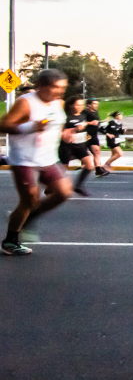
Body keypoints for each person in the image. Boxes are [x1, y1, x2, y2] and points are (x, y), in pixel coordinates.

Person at [0, 70, 72, 255]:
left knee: (63, 193)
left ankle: (28, 218)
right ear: (41, 86)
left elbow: (57, 122)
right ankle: (10, 241)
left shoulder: (59, 103)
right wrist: (31, 126)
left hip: (48, 158)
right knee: (30, 198)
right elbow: (3, 124)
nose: (60, 92)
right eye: (55, 87)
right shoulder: (26, 103)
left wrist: (64, 133)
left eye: (63, 87)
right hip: (25, 159)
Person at [60, 97, 96, 196]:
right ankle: (52, 187)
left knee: (89, 164)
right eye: (78, 105)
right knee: (63, 169)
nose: (80, 107)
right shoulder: (65, 117)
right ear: (71, 105)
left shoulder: (84, 114)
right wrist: (75, 129)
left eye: (81, 105)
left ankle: (78, 186)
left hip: (80, 145)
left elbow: (89, 121)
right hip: (67, 146)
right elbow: (60, 132)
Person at [82, 99, 105, 177]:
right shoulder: (84, 112)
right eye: (94, 104)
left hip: (94, 135)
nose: (96, 105)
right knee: (83, 152)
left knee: (97, 151)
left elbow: (98, 122)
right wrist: (90, 123)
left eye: (97, 104)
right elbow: (80, 122)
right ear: (89, 104)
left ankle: (98, 170)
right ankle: (84, 166)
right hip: (86, 135)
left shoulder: (95, 112)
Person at [99, 110, 126, 176]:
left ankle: (108, 167)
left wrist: (123, 131)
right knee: (119, 154)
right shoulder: (110, 123)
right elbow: (101, 129)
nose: (121, 116)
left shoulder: (120, 123)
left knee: (113, 154)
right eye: (120, 115)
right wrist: (107, 134)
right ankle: (106, 164)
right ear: (116, 116)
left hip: (117, 140)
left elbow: (119, 132)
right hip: (111, 140)